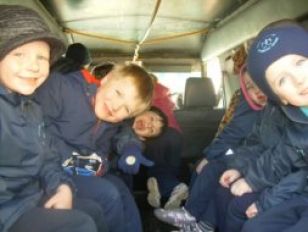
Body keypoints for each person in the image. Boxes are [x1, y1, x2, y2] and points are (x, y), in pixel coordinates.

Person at [0, 4, 107, 232]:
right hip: (8, 211)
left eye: (42, 57)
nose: (33, 66)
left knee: (96, 211)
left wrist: (62, 187)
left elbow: (48, 157)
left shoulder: (31, 106)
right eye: (19, 54)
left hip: (31, 197)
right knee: (81, 224)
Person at [36, 62, 154, 232]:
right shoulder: (62, 88)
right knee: (108, 193)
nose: (116, 107)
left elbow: (109, 144)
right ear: (105, 79)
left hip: (77, 167)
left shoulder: (108, 120)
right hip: (49, 167)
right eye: (118, 93)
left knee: (122, 190)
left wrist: (101, 163)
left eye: (126, 109)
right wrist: (74, 161)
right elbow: (37, 132)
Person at [154, 66, 267, 231]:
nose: (256, 89)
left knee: (214, 170)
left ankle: (192, 217)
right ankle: (195, 221)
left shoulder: (281, 109)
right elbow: (235, 132)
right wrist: (210, 156)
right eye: (249, 86)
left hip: (259, 158)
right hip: (248, 153)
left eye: (259, 81)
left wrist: (218, 159)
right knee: (207, 168)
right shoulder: (247, 104)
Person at [220, 22, 308, 232]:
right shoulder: (297, 119)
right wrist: (240, 169)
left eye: (300, 62)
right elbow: (277, 154)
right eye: (282, 80)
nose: (298, 80)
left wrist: (263, 197)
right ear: (281, 99)